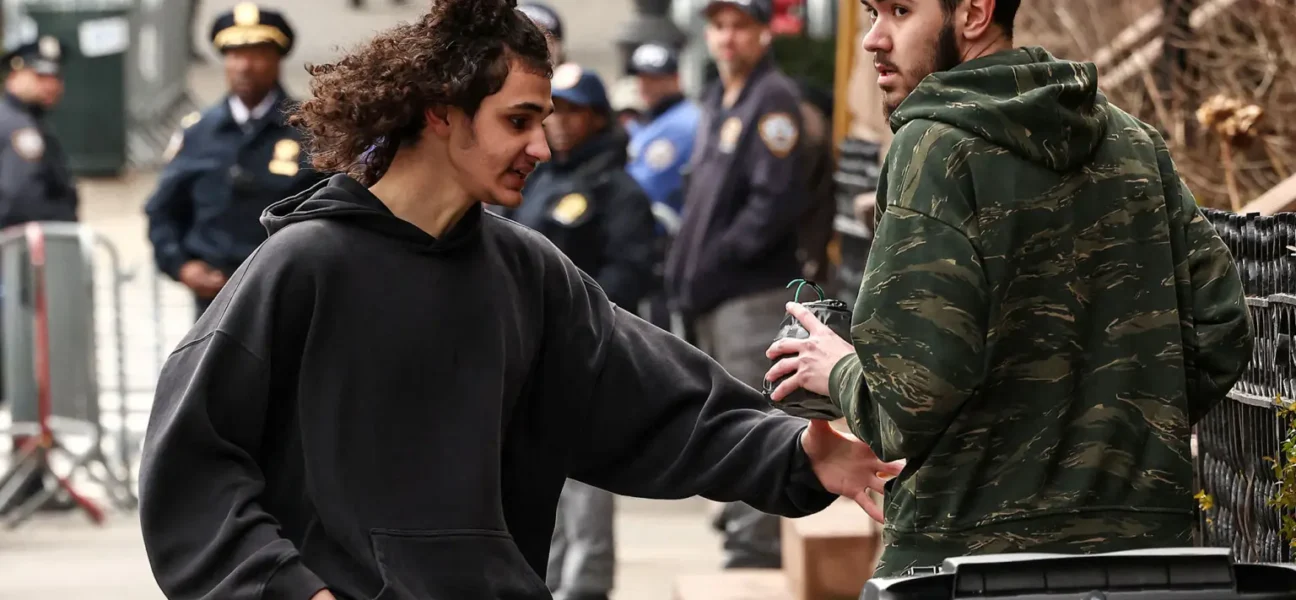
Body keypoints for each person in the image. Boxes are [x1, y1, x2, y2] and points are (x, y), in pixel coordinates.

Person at [136, 2, 902, 600]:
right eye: (519, 121)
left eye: (543, 120)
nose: (542, 145)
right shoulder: (303, 267)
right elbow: (191, 468)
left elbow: (663, 406)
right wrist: (292, 591)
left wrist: (797, 455)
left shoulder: (528, 275)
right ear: (441, 111)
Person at [764, 0, 1252, 577]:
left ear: (974, 13)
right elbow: (1221, 329)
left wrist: (838, 370)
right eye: (872, 12)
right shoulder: (1134, 141)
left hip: (968, 560)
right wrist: (1129, 428)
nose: (874, 38)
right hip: (1144, 555)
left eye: (899, 11)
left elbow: (908, 400)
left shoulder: (934, 148)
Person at [496, 62, 655, 600]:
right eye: (554, 113)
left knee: (586, 481)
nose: (561, 124)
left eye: (575, 113)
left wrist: (575, 322)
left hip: (585, 352)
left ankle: (585, 586)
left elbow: (629, 272)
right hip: (529, 351)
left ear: (598, 118)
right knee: (542, 480)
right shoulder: (539, 178)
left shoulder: (618, 188)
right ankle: (550, 582)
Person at [664, 0, 810, 570]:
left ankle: (754, 545)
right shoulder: (717, 98)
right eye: (718, 26)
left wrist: (720, 259)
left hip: (748, 293)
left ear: (763, 34)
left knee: (754, 414)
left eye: (739, 27)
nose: (727, 38)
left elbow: (773, 203)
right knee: (722, 413)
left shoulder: (773, 100)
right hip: (713, 292)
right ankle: (738, 524)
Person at [144, 3, 323, 318]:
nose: (244, 66)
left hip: (290, 295)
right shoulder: (198, 133)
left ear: (277, 58)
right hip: (215, 301)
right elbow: (162, 209)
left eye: (256, 54)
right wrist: (181, 265)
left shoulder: (310, 130)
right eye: (235, 55)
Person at [0, 35, 78, 517]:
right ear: (15, 73)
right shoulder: (15, 128)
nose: (51, 85)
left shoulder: (26, 123)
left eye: (56, 77)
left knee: (32, 377)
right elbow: (20, 202)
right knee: (25, 374)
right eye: (40, 75)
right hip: (19, 272)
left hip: (25, 272)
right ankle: (26, 477)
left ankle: (31, 474)